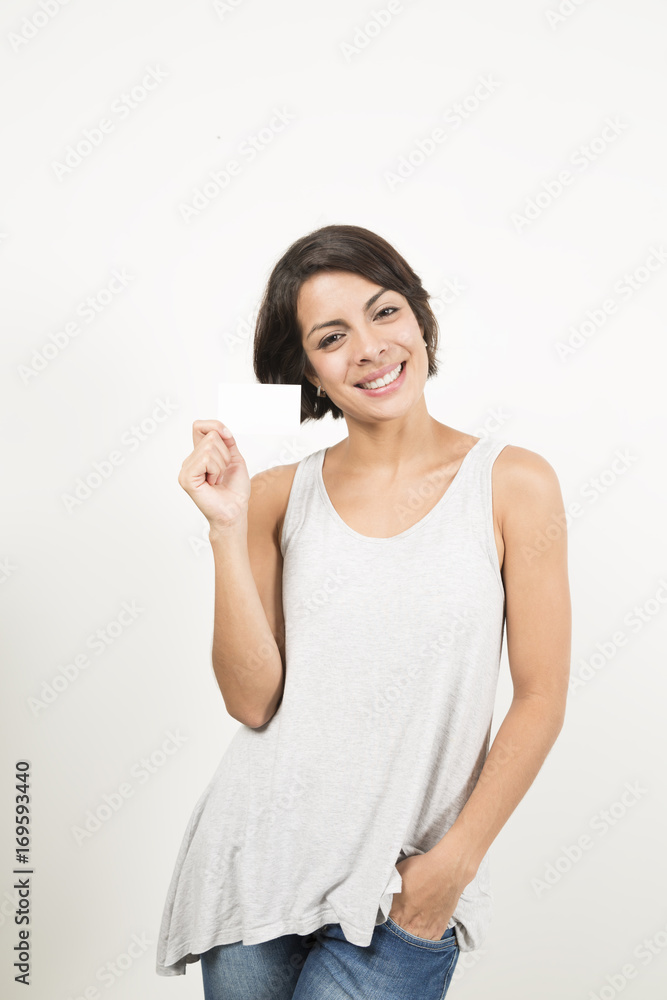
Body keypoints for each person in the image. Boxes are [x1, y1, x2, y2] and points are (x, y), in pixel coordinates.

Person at [155, 224, 571, 999]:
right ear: (306, 368)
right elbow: (251, 700)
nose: (370, 348)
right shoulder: (273, 495)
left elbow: (540, 696)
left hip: (400, 889)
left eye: (384, 312)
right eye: (331, 337)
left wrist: (451, 869)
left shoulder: (513, 483)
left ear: (418, 316)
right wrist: (225, 529)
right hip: (254, 872)